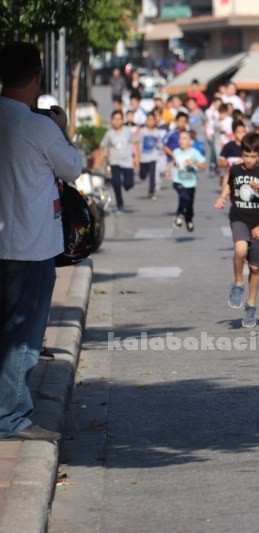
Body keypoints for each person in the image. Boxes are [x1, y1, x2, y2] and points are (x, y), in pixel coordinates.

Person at [0, 41, 82, 441]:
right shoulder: (39, 126)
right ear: (37, 78)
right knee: (22, 337)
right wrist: (62, 128)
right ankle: (12, 417)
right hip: (29, 246)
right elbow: (73, 168)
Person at [214, 133, 259, 328]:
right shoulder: (236, 169)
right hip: (239, 218)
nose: (249, 160)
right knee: (240, 248)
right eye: (246, 155)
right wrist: (222, 197)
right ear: (241, 153)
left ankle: (251, 305)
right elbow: (229, 184)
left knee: (254, 268)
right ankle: (238, 283)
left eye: (253, 156)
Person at [167, 130, 206, 232]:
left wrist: (194, 163)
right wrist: (168, 170)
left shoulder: (194, 152)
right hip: (178, 180)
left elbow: (204, 165)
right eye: (180, 138)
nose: (181, 140)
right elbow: (173, 162)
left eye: (184, 138)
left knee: (189, 203)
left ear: (190, 141)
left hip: (191, 183)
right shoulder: (176, 151)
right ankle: (179, 215)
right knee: (183, 197)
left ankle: (189, 219)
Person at [101, 110, 139, 212]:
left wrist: (136, 157)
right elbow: (103, 146)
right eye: (115, 119)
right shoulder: (109, 134)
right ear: (112, 120)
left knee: (129, 184)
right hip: (114, 162)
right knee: (116, 183)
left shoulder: (127, 132)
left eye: (119, 119)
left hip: (127, 162)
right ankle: (119, 204)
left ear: (122, 120)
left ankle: (127, 184)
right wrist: (104, 154)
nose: (117, 121)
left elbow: (135, 143)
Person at [136, 112, 163, 200]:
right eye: (149, 120)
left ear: (155, 121)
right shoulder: (142, 131)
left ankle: (151, 192)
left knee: (152, 175)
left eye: (152, 120)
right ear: (146, 121)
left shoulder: (157, 132)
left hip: (153, 157)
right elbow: (138, 143)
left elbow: (159, 144)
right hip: (143, 157)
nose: (150, 122)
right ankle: (143, 174)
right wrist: (137, 156)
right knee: (142, 175)